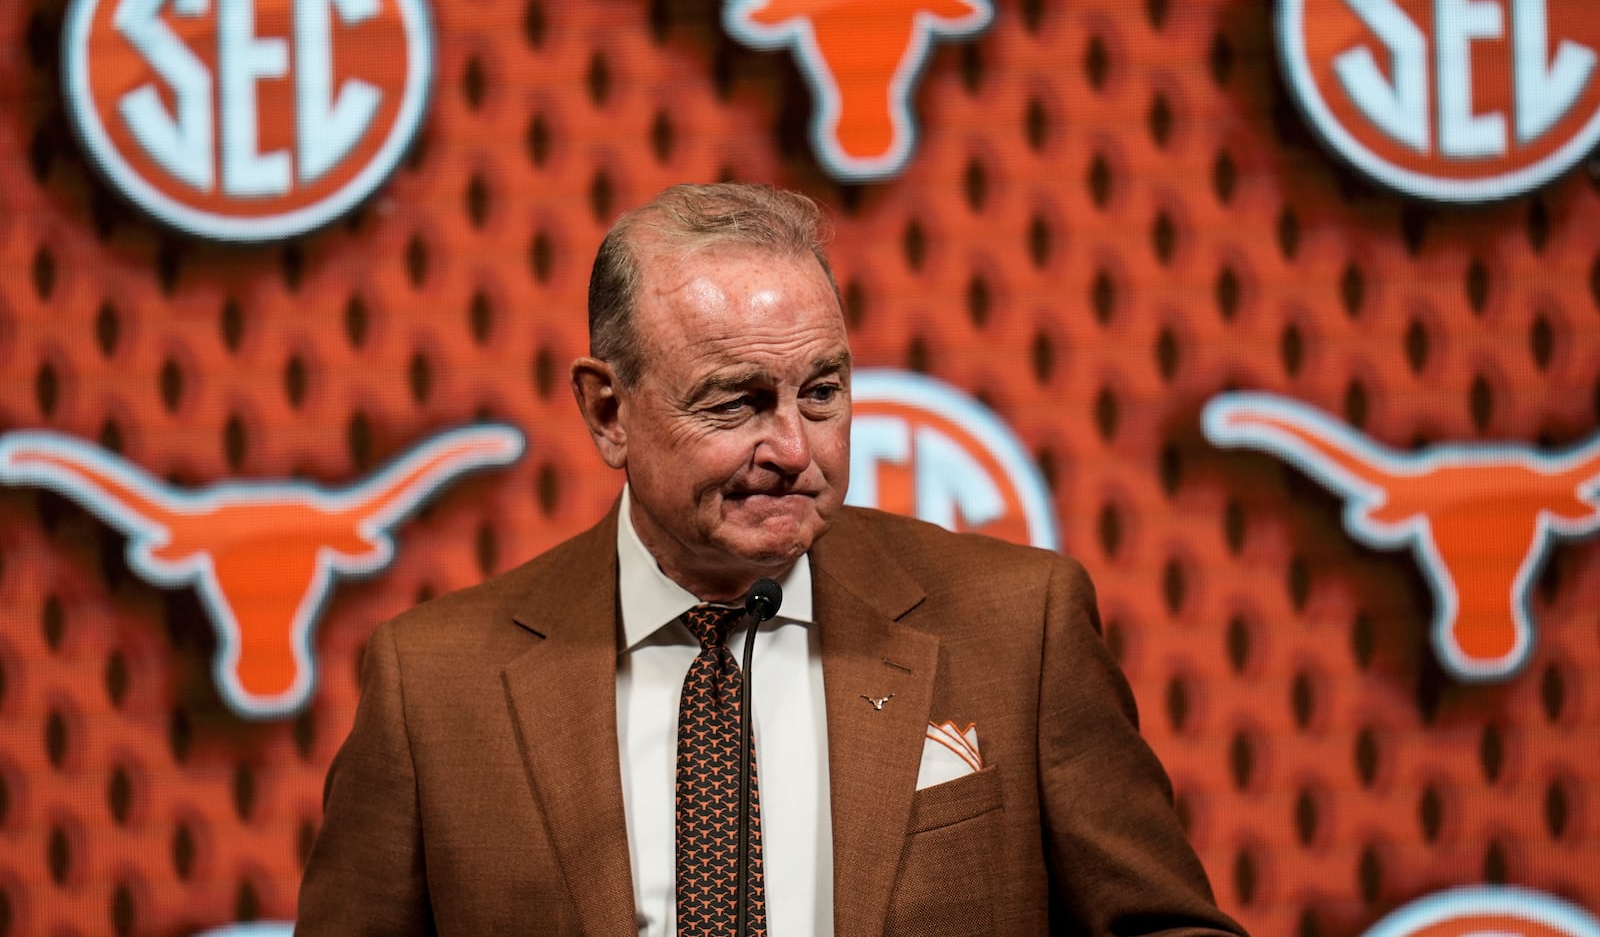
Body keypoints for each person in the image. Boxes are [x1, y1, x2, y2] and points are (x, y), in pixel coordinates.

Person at [297, 182, 1246, 936]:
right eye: (735, 402)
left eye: (822, 392)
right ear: (608, 411)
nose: (795, 447)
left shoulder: (1017, 627)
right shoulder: (433, 684)